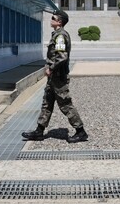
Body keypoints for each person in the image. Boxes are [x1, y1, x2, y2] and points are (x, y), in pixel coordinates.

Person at [21, 9, 88, 143]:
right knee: (47, 103)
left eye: (53, 18)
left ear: (59, 21)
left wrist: (50, 68)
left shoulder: (60, 36)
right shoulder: (57, 35)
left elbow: (62, 57)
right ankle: (39, 131)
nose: (51, 20)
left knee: (65, 105)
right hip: (54, 77)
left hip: (58, 77)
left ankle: (81, 132)